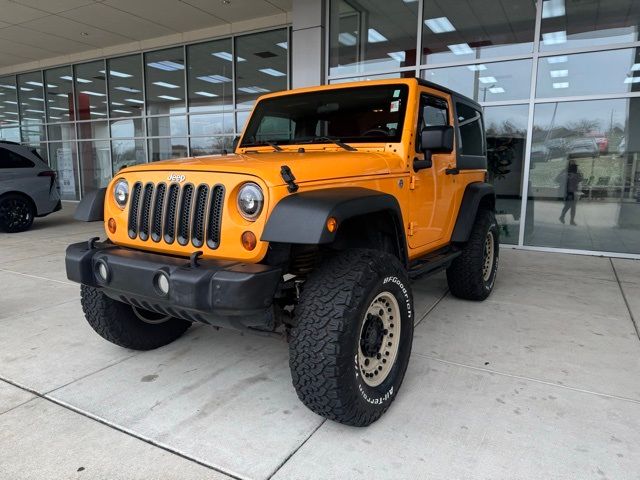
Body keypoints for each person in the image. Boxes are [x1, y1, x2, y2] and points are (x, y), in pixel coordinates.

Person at [556, 159, 583, 226]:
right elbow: (557, 179)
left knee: (572, 207)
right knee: (568, 205)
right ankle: (563, 217)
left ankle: (570, 220)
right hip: (567, 192)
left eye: (574, 165)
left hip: (574, 191)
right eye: (572, 165)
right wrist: (566, 177)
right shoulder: (564, 171)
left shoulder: (577, 172)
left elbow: (581, 179)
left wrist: (576, 175)